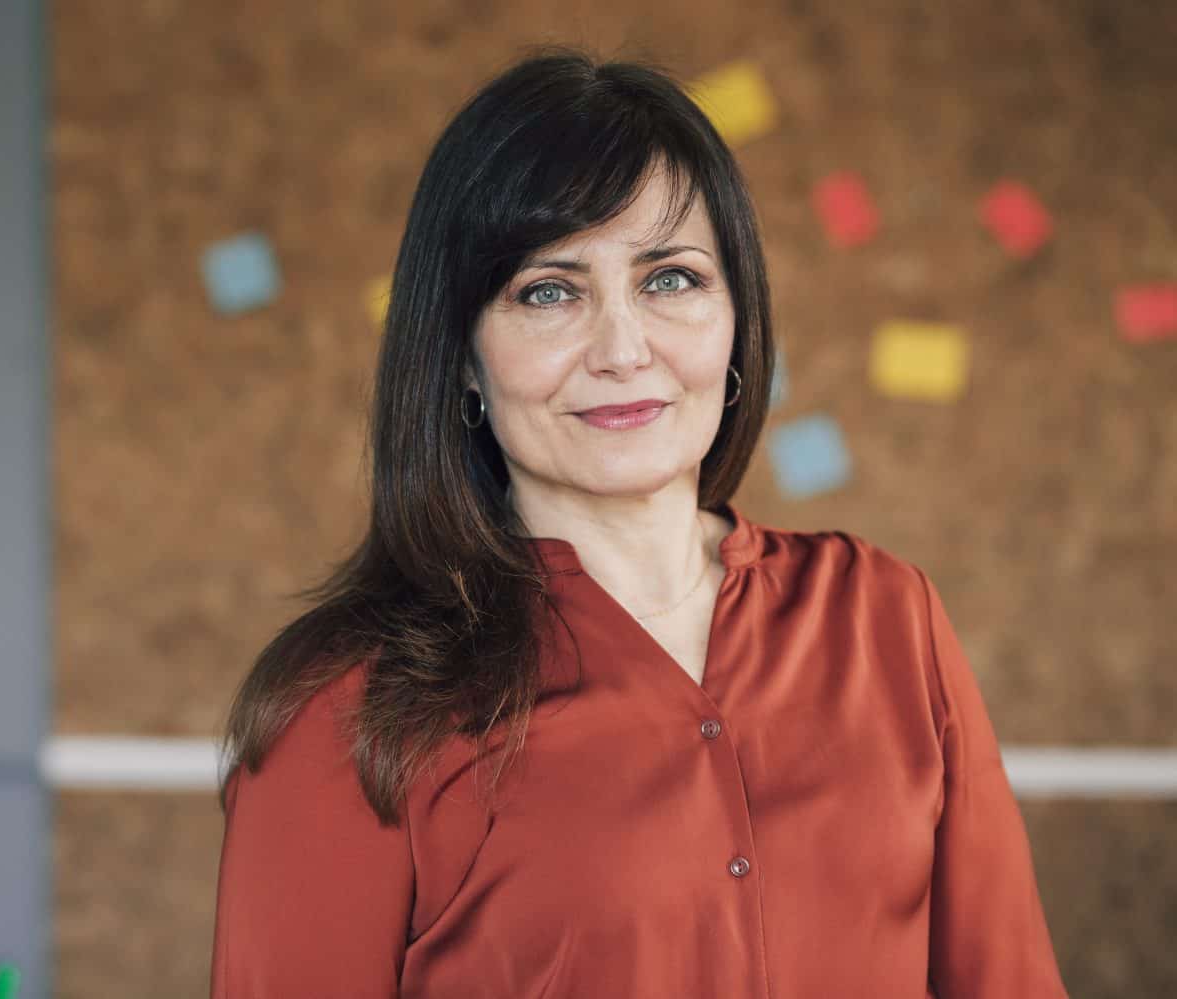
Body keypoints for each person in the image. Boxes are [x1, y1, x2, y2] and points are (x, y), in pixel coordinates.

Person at [209, 47, 1068, 998]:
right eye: (549, 292)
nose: (624, 348)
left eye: (671, 279)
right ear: (460, 355)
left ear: (738, 315)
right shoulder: (348, 706)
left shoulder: (886, 618)